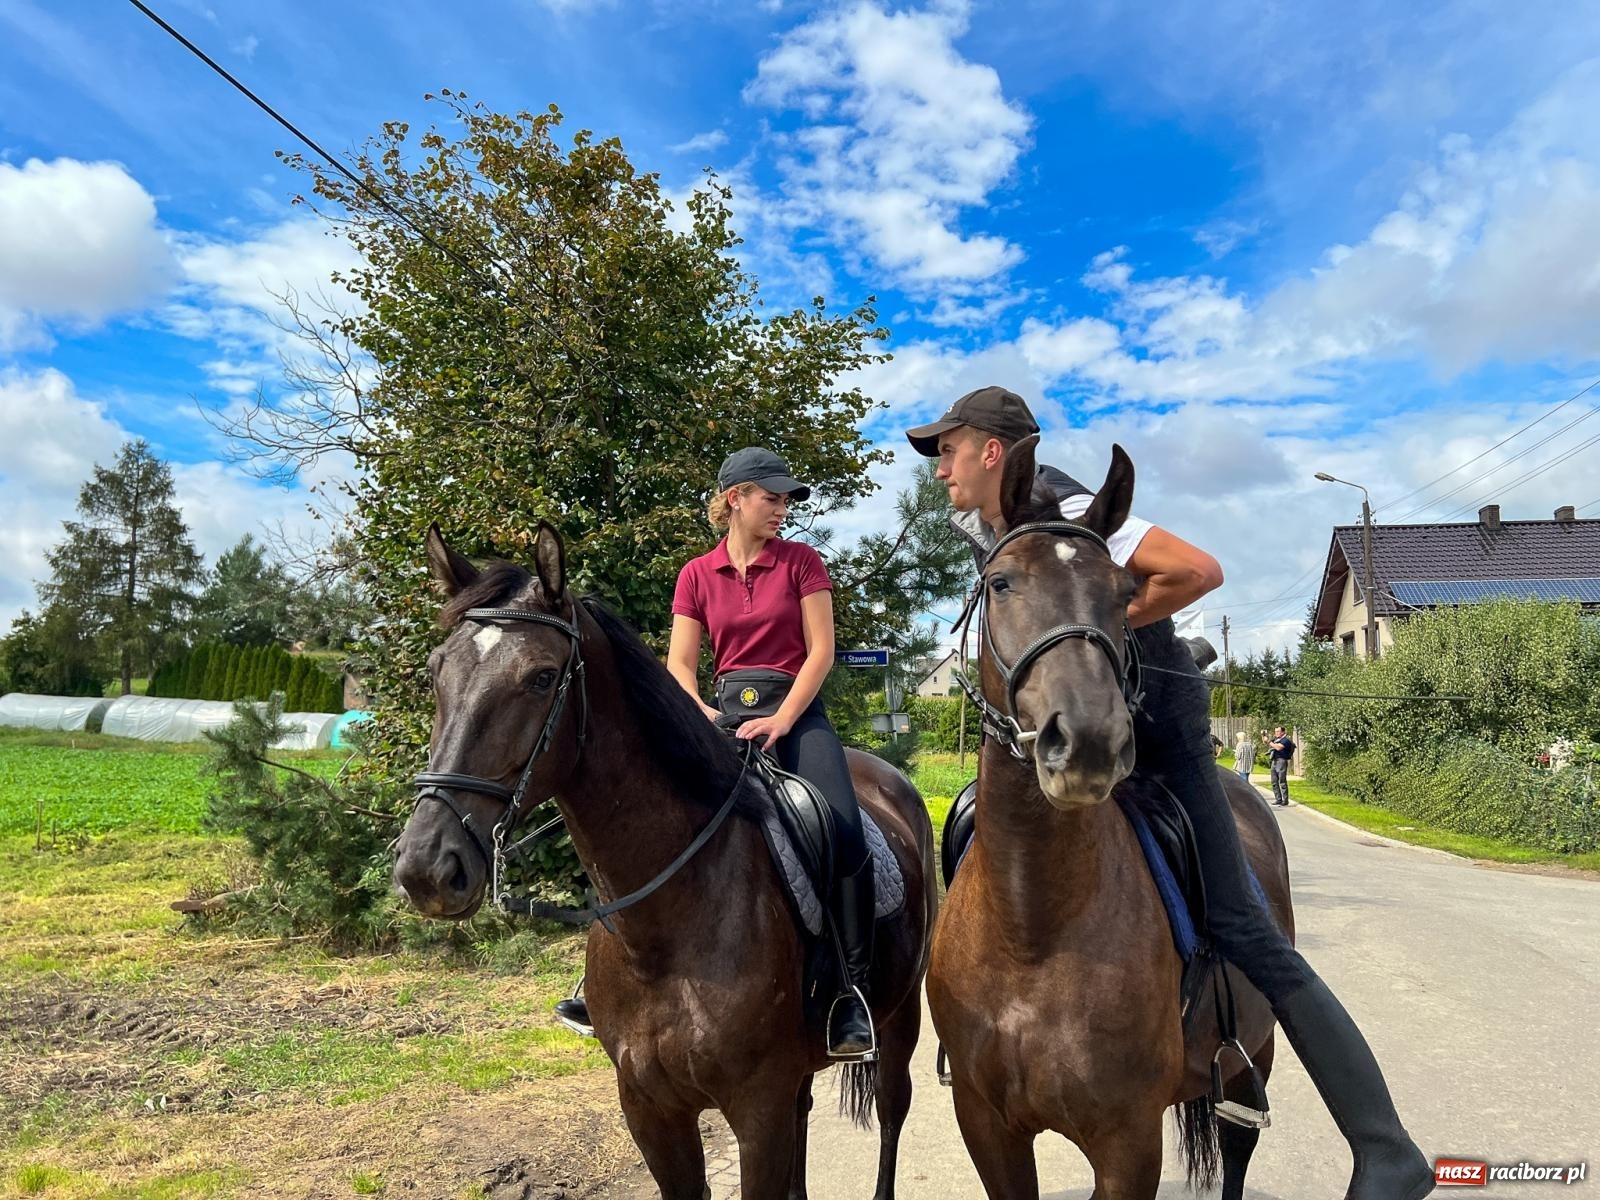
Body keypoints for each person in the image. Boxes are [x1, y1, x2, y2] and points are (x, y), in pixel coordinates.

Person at [906, 386, 1432, 1200]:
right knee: (970, 825)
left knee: (1242, 922)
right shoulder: (988, 527)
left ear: (994, 451)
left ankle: (1385, 1146)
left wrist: (1103, 621)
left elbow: (1199, 570)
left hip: (1160, 732)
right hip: (1063, 724)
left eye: (948, 448)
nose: (938, 466)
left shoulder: (1072, 501)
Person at [557, 448, 876, 1060]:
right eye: (772, 498)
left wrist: (782, 719)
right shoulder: (696, 574)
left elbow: (821, 653)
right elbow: (680, 663)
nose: (782, 510)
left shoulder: (802, 562)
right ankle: (597, 980)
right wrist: (698, 712)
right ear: (736, 498)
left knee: (842, 828)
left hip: (796, 713)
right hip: (720, 717)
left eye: (786, 501)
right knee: (642, 820)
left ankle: (849, 991)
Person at [1268, 725, 1297, 807]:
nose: (1276, 733)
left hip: (1281, 761)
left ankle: (1285, 800)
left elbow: (1278, 748)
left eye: (1278, 731)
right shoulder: (1276, 739)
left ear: (1283, 732)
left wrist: (1269, 742)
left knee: (1282, 781)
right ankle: (1278, 799)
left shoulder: (1286, 740)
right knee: (1274, 781)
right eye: (1275, 731)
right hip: (1274, 761)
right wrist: (1264, 737)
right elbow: (1268, 743)